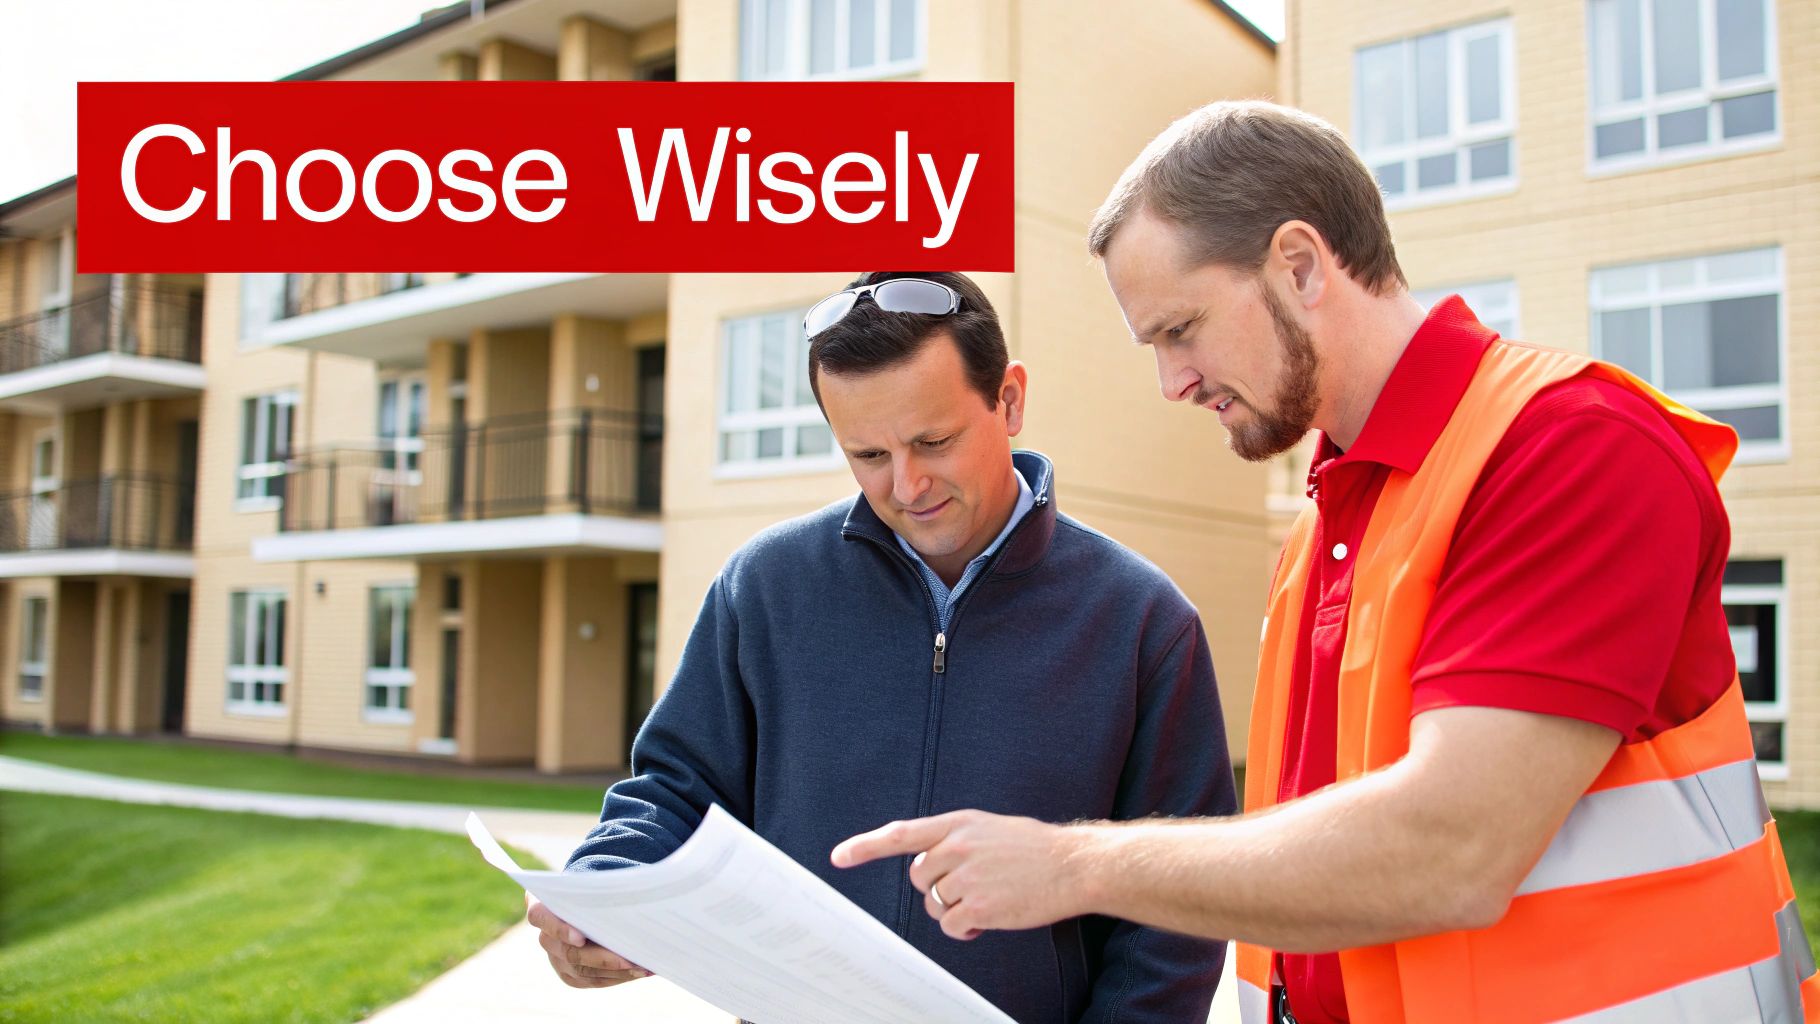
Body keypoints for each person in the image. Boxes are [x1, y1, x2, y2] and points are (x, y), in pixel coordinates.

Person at [831, 102, 1817, 1023]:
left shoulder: (1569, 448)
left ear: (1299, 264)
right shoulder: (1325, 523)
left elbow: (1451, 849)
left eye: (1180, 330)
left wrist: (1075, 865)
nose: (1172, 381)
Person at [526, 270, 1237, 1022]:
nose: (907, 485)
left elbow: (1178, 906)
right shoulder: (765, 587)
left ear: (1010, 399)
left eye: (936, 440)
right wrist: (605, 888)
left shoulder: (1141, 621)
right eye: (867, 454)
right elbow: (675, 792)